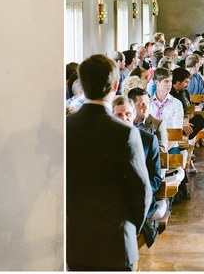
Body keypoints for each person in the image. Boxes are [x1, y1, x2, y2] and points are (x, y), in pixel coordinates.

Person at [66, 54, 151, 271]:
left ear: (82, 85)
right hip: (117, 239)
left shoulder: (65, 128)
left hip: (76, 241)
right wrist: (130, 225)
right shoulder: (125, 133)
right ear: (115, 85)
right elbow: (142, 190)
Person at [112, 97, 161, 248]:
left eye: (127, 114)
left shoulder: (148, 140)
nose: (124, 118)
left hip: (140, 198)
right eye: (118, 115)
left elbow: (156, 178)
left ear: (134, 114)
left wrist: (138, 192)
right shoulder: (106, 140)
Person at [128, 87, 167, 153]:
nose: (146, 107)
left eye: (147, 103)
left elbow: (162, 150)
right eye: (141, 104)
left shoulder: (158, 124)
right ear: (131, 105)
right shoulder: (125, 122)